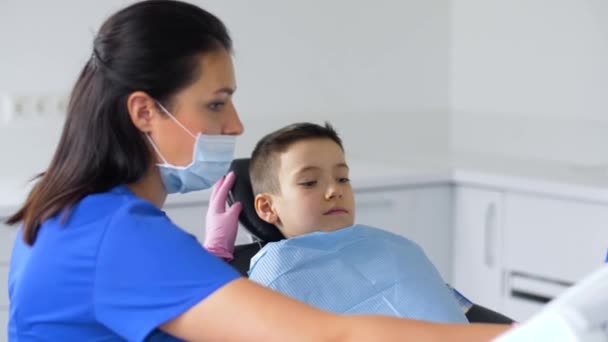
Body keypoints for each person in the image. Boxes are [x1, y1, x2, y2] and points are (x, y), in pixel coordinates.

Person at [5, 1, 510, 340]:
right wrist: (541, 333)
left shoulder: (75, 212)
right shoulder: (115, 236)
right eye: (216, 104)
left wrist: (208, 259)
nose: (236, 124)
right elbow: (332, 335)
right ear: (145, 112)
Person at [211, 122, 469, 323]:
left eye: (343, 178)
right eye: (309, 182)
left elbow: (454, 309)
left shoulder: (392, 247)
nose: (334, 190)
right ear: (267, 207)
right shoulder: (276, 273)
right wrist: (214, 261)